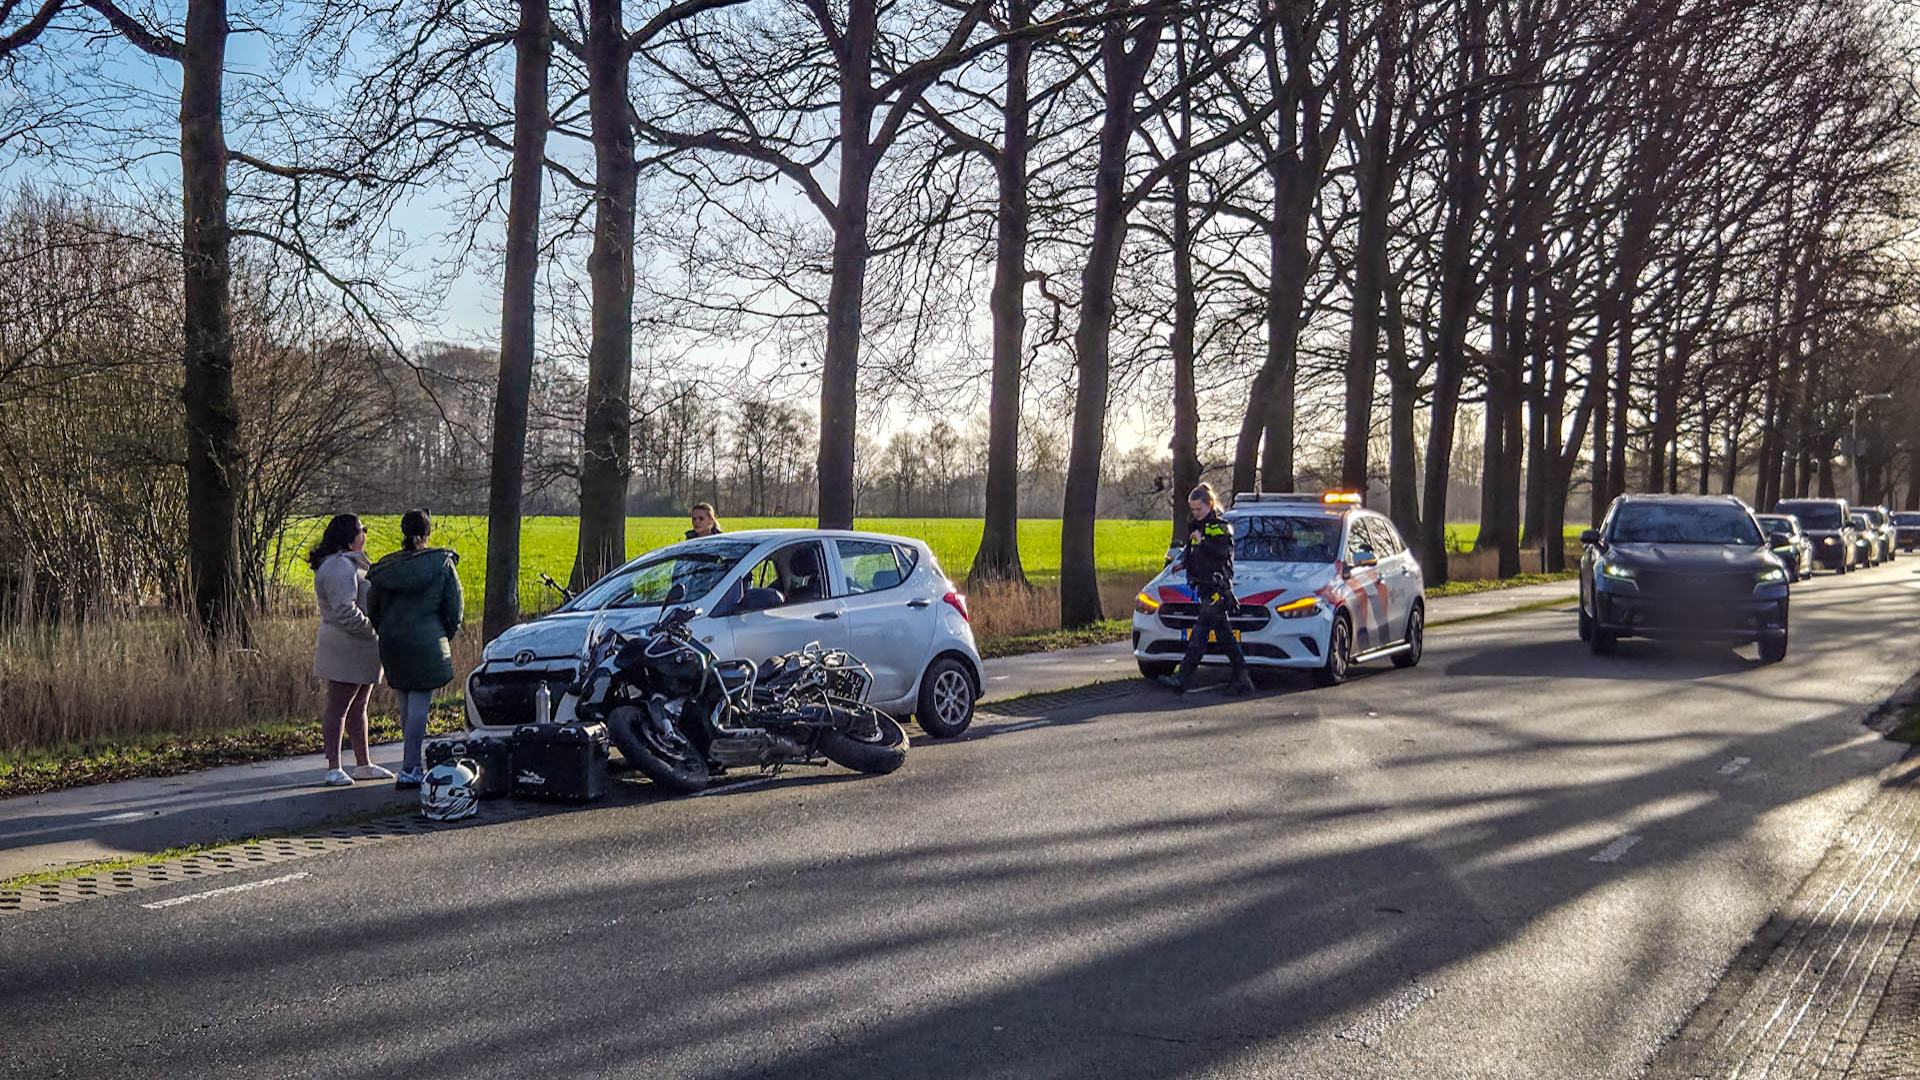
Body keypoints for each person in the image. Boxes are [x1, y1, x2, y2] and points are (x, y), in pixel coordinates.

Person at [368, 509, 464, 788]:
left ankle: (409, 764)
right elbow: (454, 608)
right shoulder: (442, 563)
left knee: (405, 704)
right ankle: (410, 767)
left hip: (393, 641)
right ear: (428, 534)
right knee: (420, 705)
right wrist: (442, 635)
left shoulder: (387, 569)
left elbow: (372, 606)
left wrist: (386, 630)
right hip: (427, 640)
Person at [308, 514, 393, 787]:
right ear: (349, 537)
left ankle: (363, 764)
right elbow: (344, 610)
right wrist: (371, 630)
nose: (364, 533)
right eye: (361, 530)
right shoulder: (338, 567)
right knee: (340, 706)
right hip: (347, 646)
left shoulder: (348, 563)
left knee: (359, 707)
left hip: (360, 647)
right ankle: (334, 767)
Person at [1162, 483, 1254, 696]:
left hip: (1217, 588)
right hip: (1203, 586)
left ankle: (1182, 678)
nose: (1195, 513)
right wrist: (1182, 562)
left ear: (1209, 505)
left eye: (1199, 509)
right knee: (1226, 637)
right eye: (1192, 509)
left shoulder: (1220, 527)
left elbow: (1223, 552)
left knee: (1200, 633)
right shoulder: (1195, 526)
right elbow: (1192, 550)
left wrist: (1203, 542)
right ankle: (1243, 679)